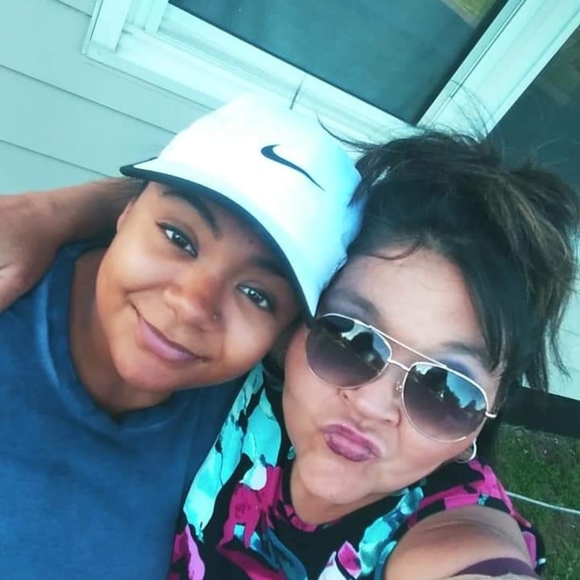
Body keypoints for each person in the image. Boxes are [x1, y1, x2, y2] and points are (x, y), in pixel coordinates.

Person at [1, 131, 577, 580]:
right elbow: (201, 212)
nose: (372, 405)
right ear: (294, 330)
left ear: (486, 414)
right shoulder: (245, 378)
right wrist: (49, 213)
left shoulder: (457, 527)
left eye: (445, 388)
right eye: (352, 339)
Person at [0, 94, 363, 578]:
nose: (192, 305)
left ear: (283, 334)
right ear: (126, 212)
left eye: (256, 294)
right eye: (178, 238)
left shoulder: (251, 431)